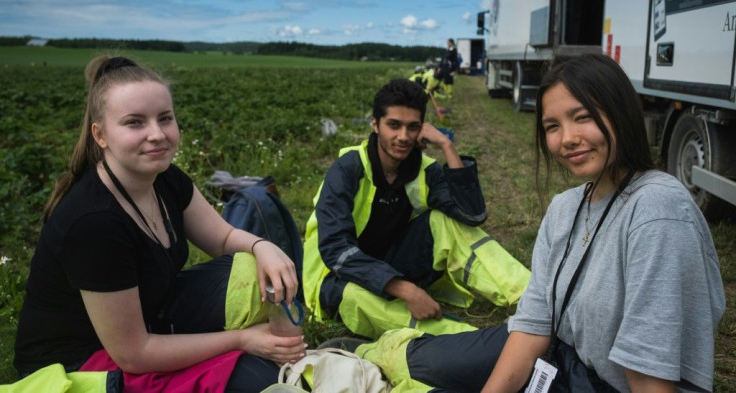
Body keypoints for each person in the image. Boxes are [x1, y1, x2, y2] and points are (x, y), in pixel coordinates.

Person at [13, 55, 307, 392]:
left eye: (164, 118)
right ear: (101, 135)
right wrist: (241, 340)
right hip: (82, 363)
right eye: (135, 122)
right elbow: (134, 355)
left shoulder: (165, 178)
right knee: (258, 378)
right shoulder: (94, 223)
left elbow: (223, 237)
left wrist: (263, 246)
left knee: (253, 271)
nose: (157, 134)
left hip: (144, 322)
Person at [477, 54, 726, 391]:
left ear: (621, 114)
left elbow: (649, 378)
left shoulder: (656, 210)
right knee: (425, 362)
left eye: (583, 117)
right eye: (553, 126)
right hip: (565, 364)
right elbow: (535, 320)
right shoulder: (564, 207)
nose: (567, 138)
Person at [302, 78, 531, 340]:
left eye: (412, 127)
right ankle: (479, 342)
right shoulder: (348, 169)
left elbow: (472, 215)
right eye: (393, 125)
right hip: (336, 277)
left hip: (390, 264)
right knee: (356, 296)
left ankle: (536, 300)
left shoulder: (423, 168)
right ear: (375, 124)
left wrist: (447, 146)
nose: (403, 137)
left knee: (447, 223)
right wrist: (407, 290)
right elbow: (336, 250)